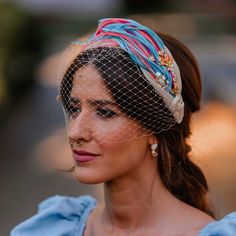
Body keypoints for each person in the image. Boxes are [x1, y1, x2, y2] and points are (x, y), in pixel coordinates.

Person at [11, 18, 236, 236]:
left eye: (105, 112)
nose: (75, 132)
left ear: (155, 127)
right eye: (74, 108)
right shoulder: (54, 227)